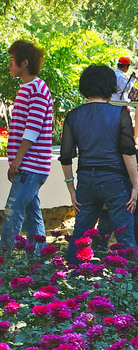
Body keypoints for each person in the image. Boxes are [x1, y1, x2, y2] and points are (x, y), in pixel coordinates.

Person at [58, 64, 138, 263]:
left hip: (86, 179)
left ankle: (73, 275)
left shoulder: (73, 116)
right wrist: (135, 185)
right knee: (125, 237)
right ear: (110, 87)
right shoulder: (120, 113)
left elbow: (66, 156)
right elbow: (128, 152)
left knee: (80, 235)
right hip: (115, 180)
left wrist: (71, 188)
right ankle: (134, 276)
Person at [2, 40, 53, 250]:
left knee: (12, 212)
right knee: (32, 216)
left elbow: (32, 129)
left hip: (31, 166)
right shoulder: (27, 88)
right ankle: (39, 260)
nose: (9, 64)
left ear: (25, 62)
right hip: (27, 165)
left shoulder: (37, 89)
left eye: (13, 60)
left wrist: (17, 160)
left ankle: (5, 260)